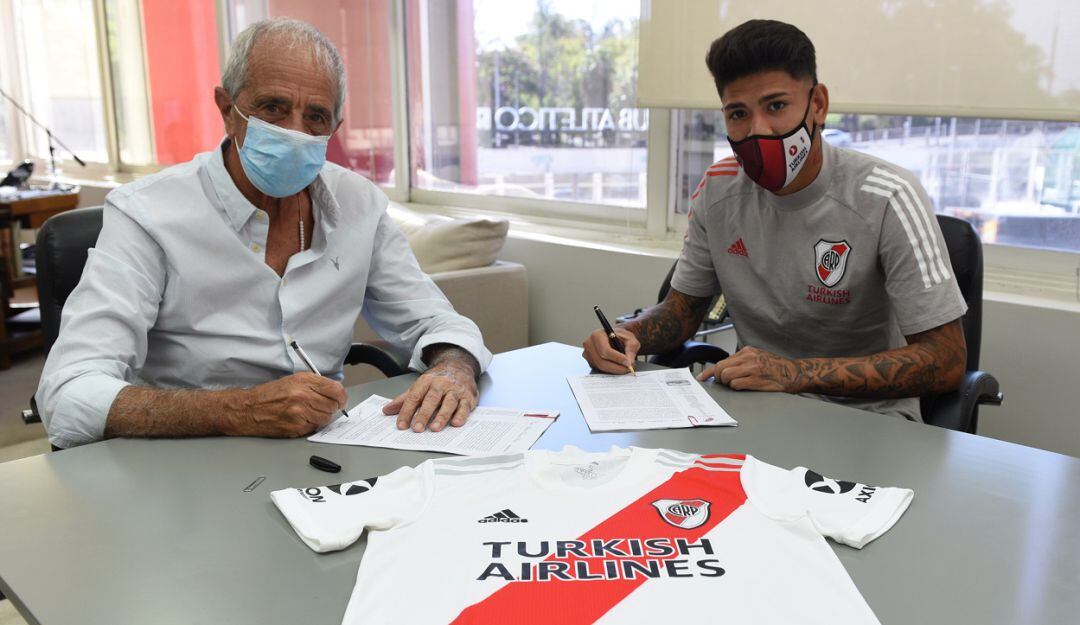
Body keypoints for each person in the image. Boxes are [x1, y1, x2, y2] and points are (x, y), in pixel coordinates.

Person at [36, 19, 490, 449]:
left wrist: (453, 366)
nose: (294, 132)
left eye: (315, 116)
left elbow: (436, 321)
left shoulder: (359, 205)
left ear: (334, 128)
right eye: (273, 108)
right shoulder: (148, 213)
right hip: (184, 459)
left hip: (321, 454)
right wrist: (236, 410)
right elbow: (68, 393)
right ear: (227, 109)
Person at [583, 19, 967, 421]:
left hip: (867, 420)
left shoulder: (887, 194)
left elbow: (945, 360)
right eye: (737, 113)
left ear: (817, 104)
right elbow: (682, 311)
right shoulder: (718, 190)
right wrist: (629, 336)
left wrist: (794, 373)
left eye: (776, 106)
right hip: (752, 409)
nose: (757, 131)